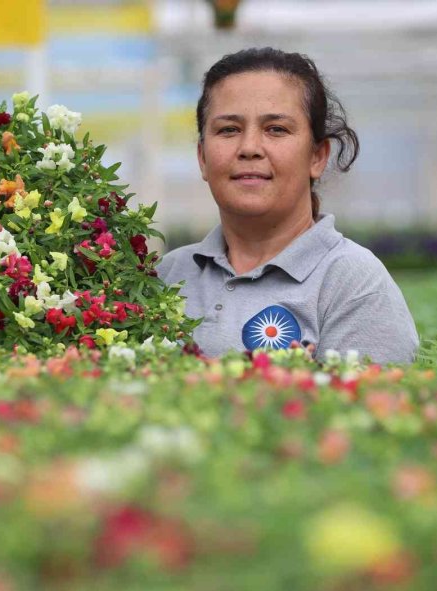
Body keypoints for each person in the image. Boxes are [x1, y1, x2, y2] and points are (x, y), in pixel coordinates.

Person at [157, 47, 419, 364]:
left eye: (276, 129)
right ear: (202, 158)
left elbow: (370, 405)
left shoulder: (352, 281)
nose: (249, 148)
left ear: (317, 157)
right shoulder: (170, 273)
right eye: (228, 129)